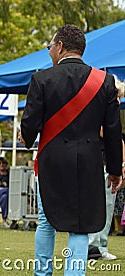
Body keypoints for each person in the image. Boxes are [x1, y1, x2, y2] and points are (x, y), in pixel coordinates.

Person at [20, 24, 123, 276]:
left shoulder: (41, 79)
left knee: (46, 221)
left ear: (60, 46)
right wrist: (114, 169)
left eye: (49, 47)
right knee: (81, 227)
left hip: (51, 163)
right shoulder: (105, 82)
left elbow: (29, 128)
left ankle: (42, 273)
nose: (49, 52)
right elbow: (112, 131)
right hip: (88, 163)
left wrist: (27, 135)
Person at [88, 76, 125, 261]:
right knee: (103, 205)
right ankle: (95, 246)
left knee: (106, 205)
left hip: (104, 162)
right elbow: (110, 134)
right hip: (101, 162)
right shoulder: (104, 111)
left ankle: (99, 245)